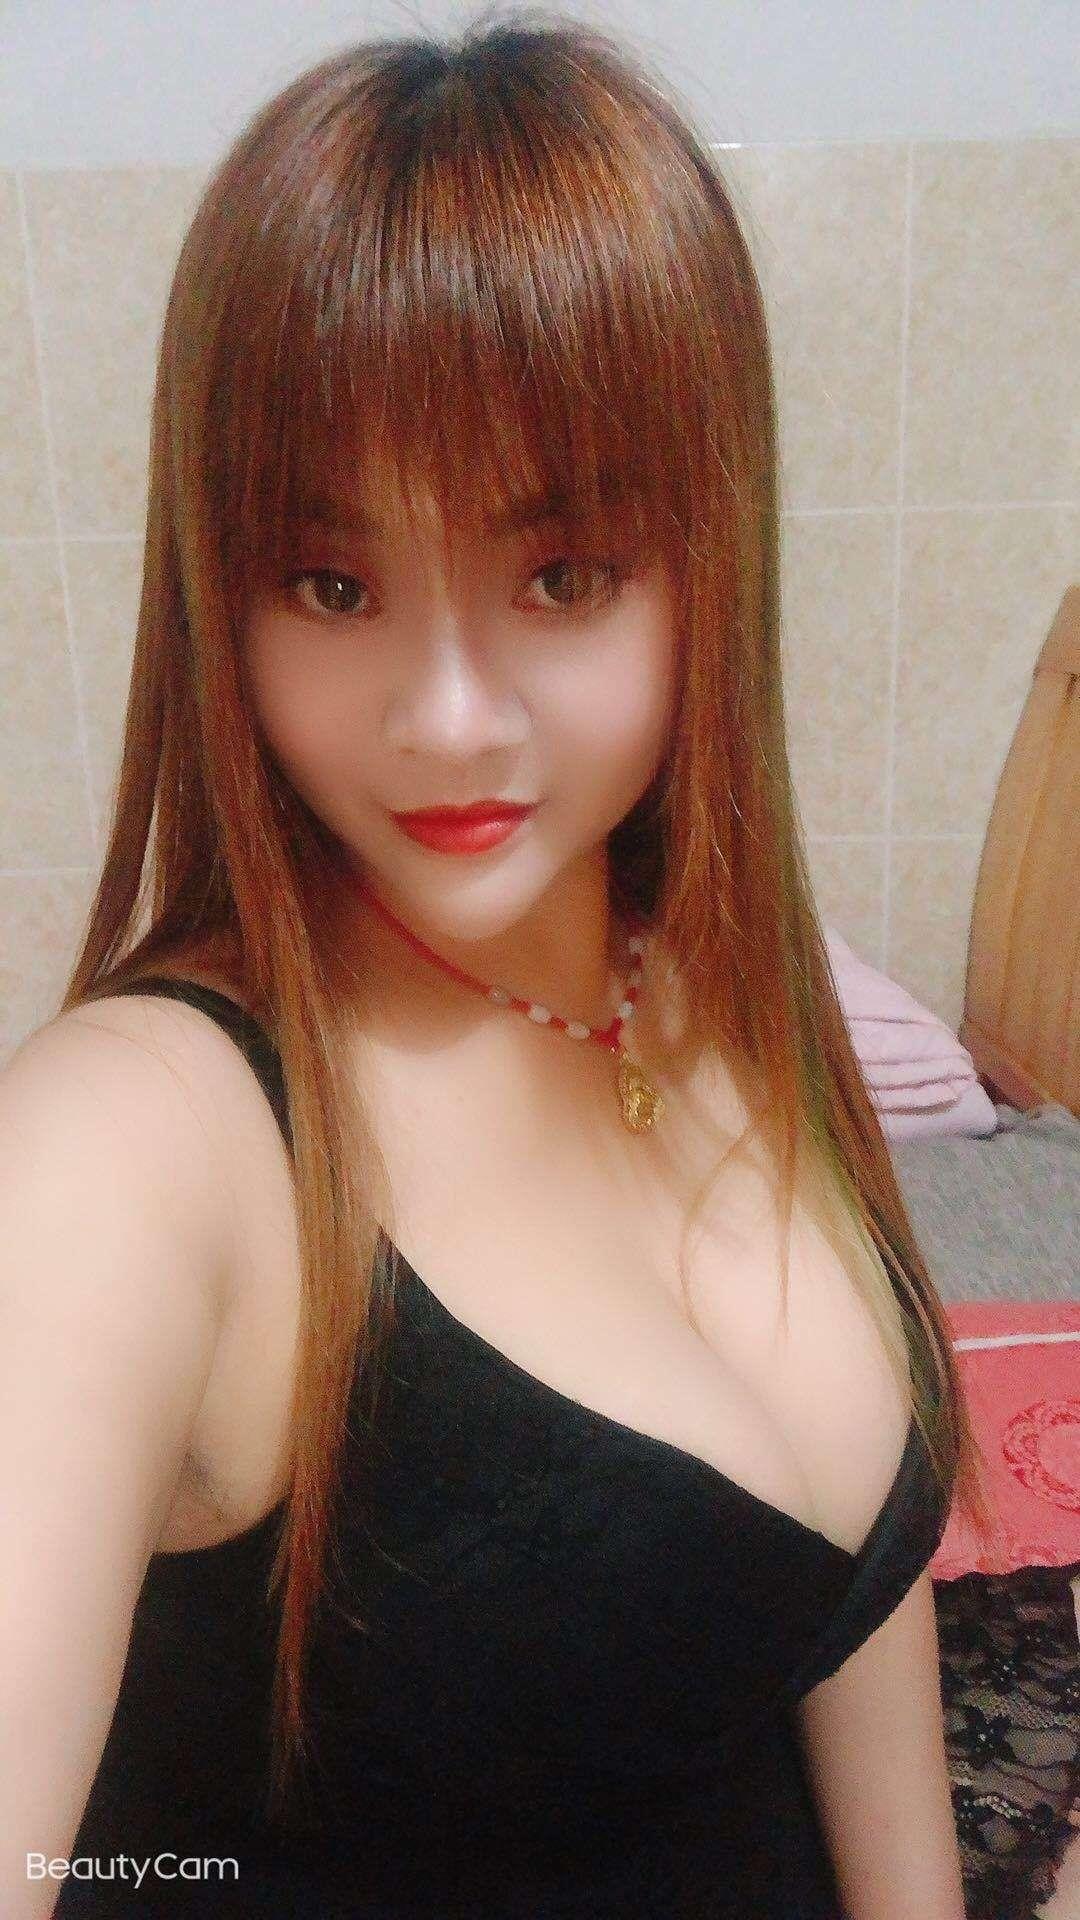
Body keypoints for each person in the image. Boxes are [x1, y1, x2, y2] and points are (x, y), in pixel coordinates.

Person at [1, 14, 1000, 1919]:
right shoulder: (131, 1142)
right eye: (334, 584)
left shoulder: (722, 987)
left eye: (562, 576)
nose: (448, 719)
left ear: (708, 560)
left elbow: (839, 1607)